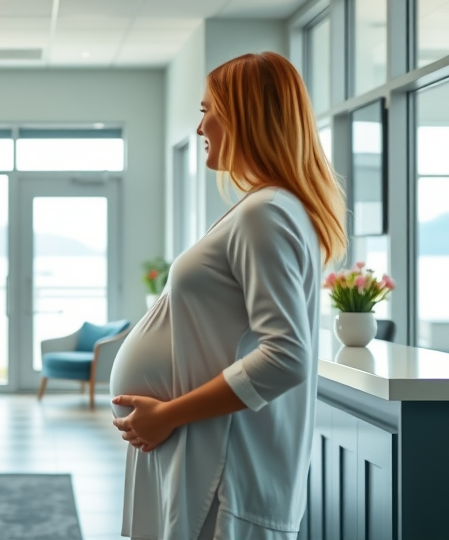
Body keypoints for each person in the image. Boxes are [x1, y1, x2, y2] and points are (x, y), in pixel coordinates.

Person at [109, 51, 347, 540]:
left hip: (223, 469)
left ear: (244, 115)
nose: (201, 129)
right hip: (201, 453)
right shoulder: (265, 207)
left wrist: (167, 414)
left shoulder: (269, 213)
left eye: (206, 111)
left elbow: (286, 357)